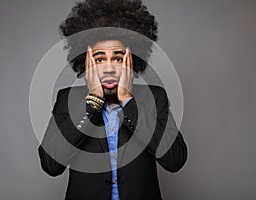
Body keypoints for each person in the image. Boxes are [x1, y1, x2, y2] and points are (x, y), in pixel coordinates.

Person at [38, 0, 187, 199]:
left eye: (117, 58)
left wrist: (127, 99)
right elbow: (51, 165)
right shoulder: (67, 99)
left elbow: (175, 160)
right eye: (99, 59)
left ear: (132, 59)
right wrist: (93, 102)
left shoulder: (154, 97)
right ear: (86, 61)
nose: (109, 68)